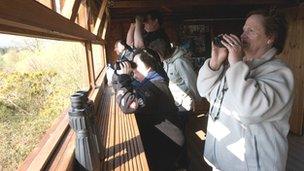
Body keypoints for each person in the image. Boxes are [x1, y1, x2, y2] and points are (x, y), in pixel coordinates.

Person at [197, 9, 294, 171]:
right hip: (223, 159)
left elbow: (249, 111)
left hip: (255, 165)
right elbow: (205, 92)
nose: (242, 36)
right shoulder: (238, 67)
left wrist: (235, 63)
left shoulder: (279, 73)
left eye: (251, 31)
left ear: (270, 38)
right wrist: (215, 62)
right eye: (243, 30)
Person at [114, 49, 184, 171]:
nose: (133, 68)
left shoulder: (155, 86)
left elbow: (128, 105)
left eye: (135, 65)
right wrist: (120, 76)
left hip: (167, 144)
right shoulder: (152, 79)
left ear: (148, 68)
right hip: (162, 138)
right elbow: (128, 88)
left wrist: (124, 77)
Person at [161, 45, 200, 169]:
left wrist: (196, 101)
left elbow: (192, 82)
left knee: (180, 134)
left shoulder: (180, 62)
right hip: (174, 104)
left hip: (183, 104)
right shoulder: (166, 62)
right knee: (178, 133)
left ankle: (184, 163)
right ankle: (181, 161)